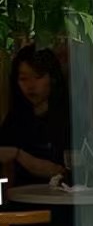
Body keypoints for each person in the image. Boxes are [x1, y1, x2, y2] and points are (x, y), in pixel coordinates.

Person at [0, 45, 70, 187]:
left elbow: (64, 171)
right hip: (20, 198)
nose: (30, 86)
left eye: (38, 77)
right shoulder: (15, 119)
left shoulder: (69, 118)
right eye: (23, 79)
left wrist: (19, 155)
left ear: (53, 78)